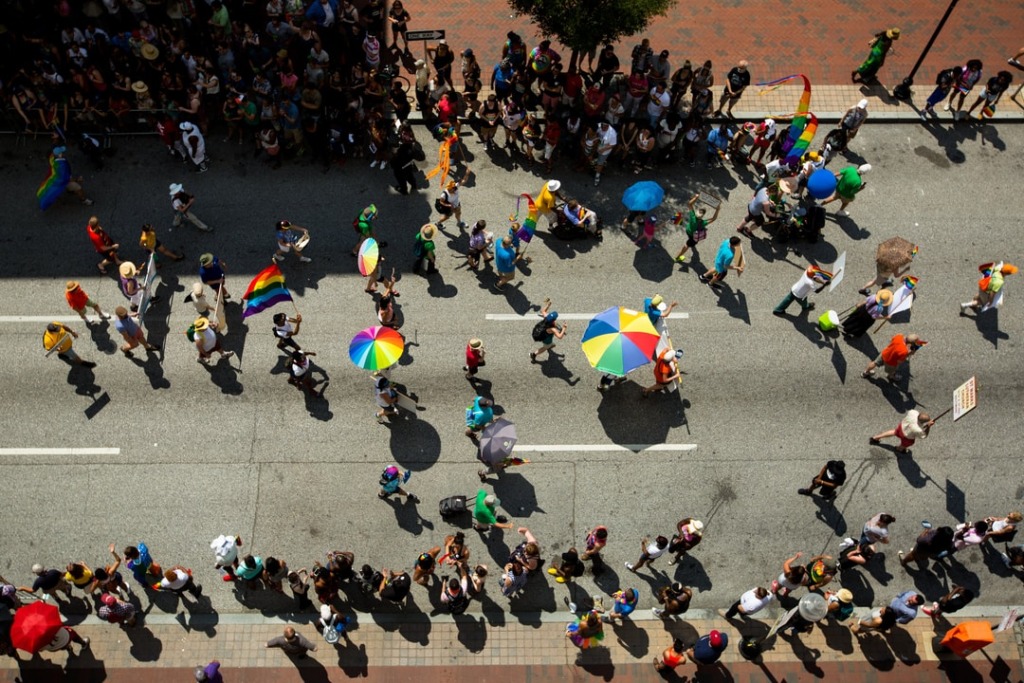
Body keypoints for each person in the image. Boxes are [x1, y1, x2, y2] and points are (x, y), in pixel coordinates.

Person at [674, 194, 719, 263]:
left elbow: (689, 204)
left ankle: (680, 254)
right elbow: (713, 219)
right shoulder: (703, 223)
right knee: (687, 245)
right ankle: (677, 257)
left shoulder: (693, 217)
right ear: (702, 216)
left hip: (688, 231)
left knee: (689, 240)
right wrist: (717, 210)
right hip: (694, 237)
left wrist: (695, 197)